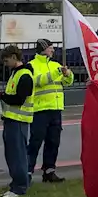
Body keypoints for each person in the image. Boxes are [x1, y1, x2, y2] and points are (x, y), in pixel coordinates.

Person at [27, 37, 74, 184]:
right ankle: (27, 171)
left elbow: (67, 82)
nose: (53, 50)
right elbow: (37, 81)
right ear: (43, 49)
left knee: (53, 142)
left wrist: (68, 75)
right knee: (35, 142)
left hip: (55, 108)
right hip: (40, 109)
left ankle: (49, 171)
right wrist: (56, 73)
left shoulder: (55, 64)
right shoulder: (31, 66)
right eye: (50, 47)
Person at [0, 45, 34, 197]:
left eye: (6, 61)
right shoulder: (16, 74)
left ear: (13, 57)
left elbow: (18, 99)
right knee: (13, 155)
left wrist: (2, 96)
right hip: (12, 119)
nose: (5, 64)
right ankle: (16, 185)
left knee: (17, 155)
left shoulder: (24, 75)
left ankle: (19, 187)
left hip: (18, 120)